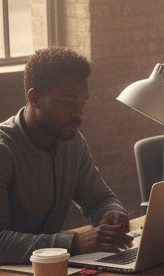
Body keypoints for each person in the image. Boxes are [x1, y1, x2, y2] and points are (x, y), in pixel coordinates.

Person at [0, 47, 131, 264]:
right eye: (68, 102)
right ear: (35, 98)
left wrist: (111, 214)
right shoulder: (4, 151)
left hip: (50, 272)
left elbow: (100, 199)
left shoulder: (71, 141)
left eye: (82, 102)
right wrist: (74, 243)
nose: (78, 113)